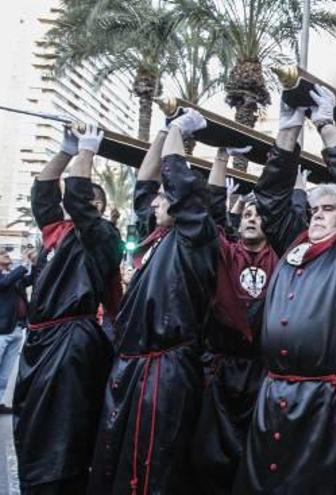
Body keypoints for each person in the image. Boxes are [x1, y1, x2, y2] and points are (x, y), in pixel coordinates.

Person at [234, 88, 336, 494]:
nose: (318, 215)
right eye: (315, 209)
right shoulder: (294, 240)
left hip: (329, 405)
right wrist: (288, 127)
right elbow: (270, 197)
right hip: (276, 395)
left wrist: (325, 124)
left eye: (329, 210)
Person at [89, 111, 218, 494]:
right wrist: (163, 131)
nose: (157, 201)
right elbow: (144, 183)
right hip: (131, 366)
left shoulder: (195, 236)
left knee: (153, 466)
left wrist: (179, 131)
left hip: (166, 370)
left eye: (166, 198)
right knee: (117, 456)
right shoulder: (156, 235)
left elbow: (177, 181)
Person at [13, 125, 122, 495]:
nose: (86, 204)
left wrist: (88, 153)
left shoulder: (103, 237)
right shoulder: (57, 232)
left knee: (60, 431)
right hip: (40, 339)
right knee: (31, 425)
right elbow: (43, 193)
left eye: (95, 202)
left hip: (72, 341)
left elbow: (75, 196)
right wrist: (67, 150)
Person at [190, 145, 278, 494]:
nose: (251, 219)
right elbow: (212, 214)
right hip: (222, 371)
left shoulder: (283, 257)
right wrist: (222, 158)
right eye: (246, 216)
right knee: (211, 455)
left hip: (261, 373)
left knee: (256, 454)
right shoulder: (225, 253)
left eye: (258, 216)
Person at [0, 247, 33, 413]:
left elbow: (30, 279)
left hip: (16, 328)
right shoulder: (7, 278)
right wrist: (25, 263)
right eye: (5, 255)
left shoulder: (14, 276)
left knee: (5, 371)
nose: (9, 257)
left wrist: (37, 262)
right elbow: (4, 283)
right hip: (2, 330)